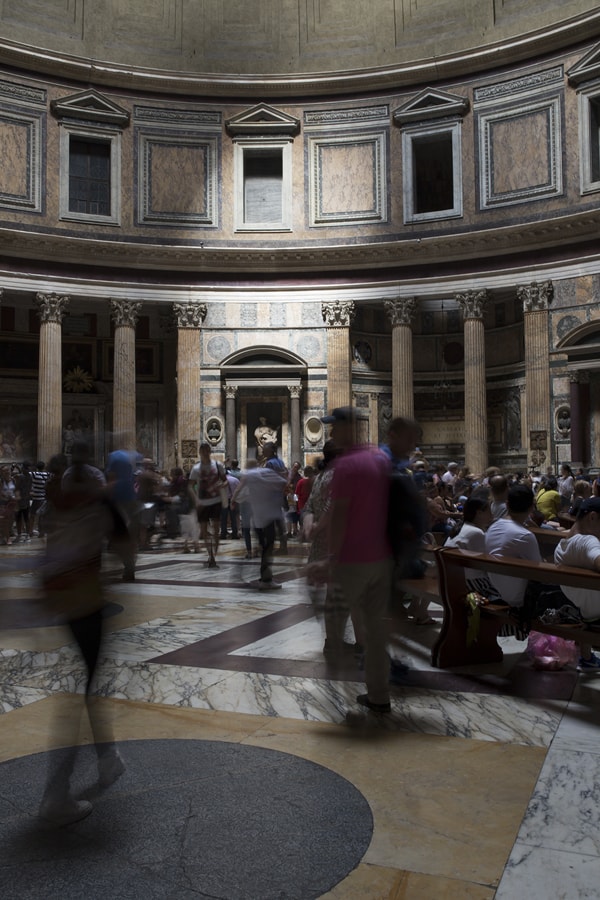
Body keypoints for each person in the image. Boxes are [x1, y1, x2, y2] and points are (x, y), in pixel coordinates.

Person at [38, 440, 129, 826]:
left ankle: (108, 759)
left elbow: (46, 531)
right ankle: (56, 795)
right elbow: (124, 543)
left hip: (57, 592)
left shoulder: (56, 497)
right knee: (82, 689)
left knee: (87, 682)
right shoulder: (98, 498)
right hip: (85, 597)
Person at [322, 406, 401, 715]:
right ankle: (379, 695)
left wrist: (331, 556)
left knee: (334, 619)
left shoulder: (346, 465)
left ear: (348, 427)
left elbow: (339, 515)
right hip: (382, 558)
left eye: (335, 427)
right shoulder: (380, 458)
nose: (331, 433)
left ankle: (336, 684)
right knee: (374, 631)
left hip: (352, 560)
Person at [554, 496, 600, 669]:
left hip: (582, 608)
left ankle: (587, 657)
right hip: (595, 613)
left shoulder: (562, 545)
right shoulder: (588, 541)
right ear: (593, 517)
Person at [485, 484, 541, 608]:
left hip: (492, 591)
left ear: (507, 504)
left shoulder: (493, 527)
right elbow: (539, 573)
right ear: (532, 507)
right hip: (515, 599)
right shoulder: (525, 535)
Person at [239, 462, 287, 589]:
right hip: (269, 518)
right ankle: (265, 579)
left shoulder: (252, 476)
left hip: (259, 518)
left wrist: (233, 500)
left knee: (265, 547)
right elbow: (283, 482)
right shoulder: (269, 475)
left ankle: (265, 576)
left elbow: (241, 483)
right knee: (268, 547)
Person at [188, 443, 227, 567]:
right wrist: (196, 499)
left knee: (216, 530)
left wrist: (222, 485)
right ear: (200, 452)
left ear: (210, 452)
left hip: (216, 501)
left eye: (207, 450)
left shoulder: (218, 465)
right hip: (202, 502)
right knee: (204, 531)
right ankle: (210, 555)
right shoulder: (196, 468)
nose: (205, 453)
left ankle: (214, 555)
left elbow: (225, 480)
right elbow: (190, 486)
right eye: (203, 451)